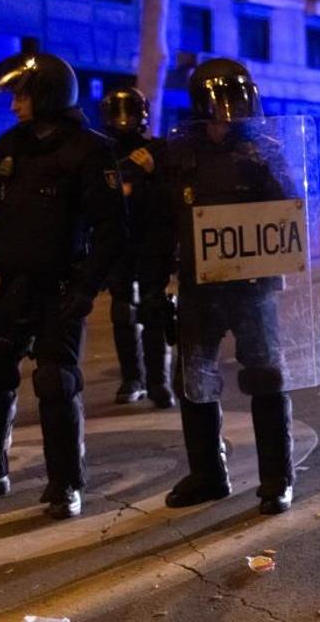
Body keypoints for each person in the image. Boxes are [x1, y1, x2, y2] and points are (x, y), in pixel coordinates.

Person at [0, 50, 126, 519]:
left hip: (59, 286)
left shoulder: (89, 150)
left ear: (46, 94)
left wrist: (86, 289)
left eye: (20, 95)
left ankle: (66, 484)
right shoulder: (11, 145)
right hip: (8, 285)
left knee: (56, 382)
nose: (13, 105)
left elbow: (111, 229)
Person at [149, 58, 296, 514]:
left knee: (265, 378)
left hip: (252, 288)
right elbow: (162, 222)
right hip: (199, 286)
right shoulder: (179, 154)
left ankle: (277, 480)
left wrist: (265, 168)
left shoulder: (263, 149)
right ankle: (207, 475)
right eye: (221, 101)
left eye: (237, 100)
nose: (230, 110)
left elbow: (291, 208)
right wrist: (156, 283)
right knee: (195, 382)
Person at [99, 86, 175, 408]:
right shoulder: (102, 154)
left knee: (154, 309)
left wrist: (152, 173)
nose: (123, 120)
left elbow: (172, 194)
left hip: (152, 242)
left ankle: (158, 381)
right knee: (122, 312)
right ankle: (132, 377)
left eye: (129, 113)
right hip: (118, 243)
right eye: (118, 114)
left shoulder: (156, 150)